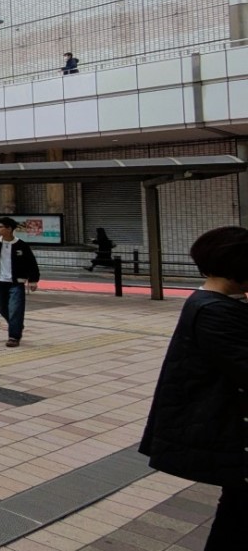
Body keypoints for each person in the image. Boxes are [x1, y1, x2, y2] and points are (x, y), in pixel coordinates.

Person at [140, 226, 248, 550]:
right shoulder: (213, 311)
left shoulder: (217, 304)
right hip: (227, 432)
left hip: (230, 431)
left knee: (236, 512)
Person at [0, 216, 41, 347]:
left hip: (16, 282)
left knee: (15, 309)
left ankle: (14, 336)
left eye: (0, 227)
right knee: (2, 308)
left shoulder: (21, 246)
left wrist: (33, 280)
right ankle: (17, 325)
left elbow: (31, 263)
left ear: (9, 229)